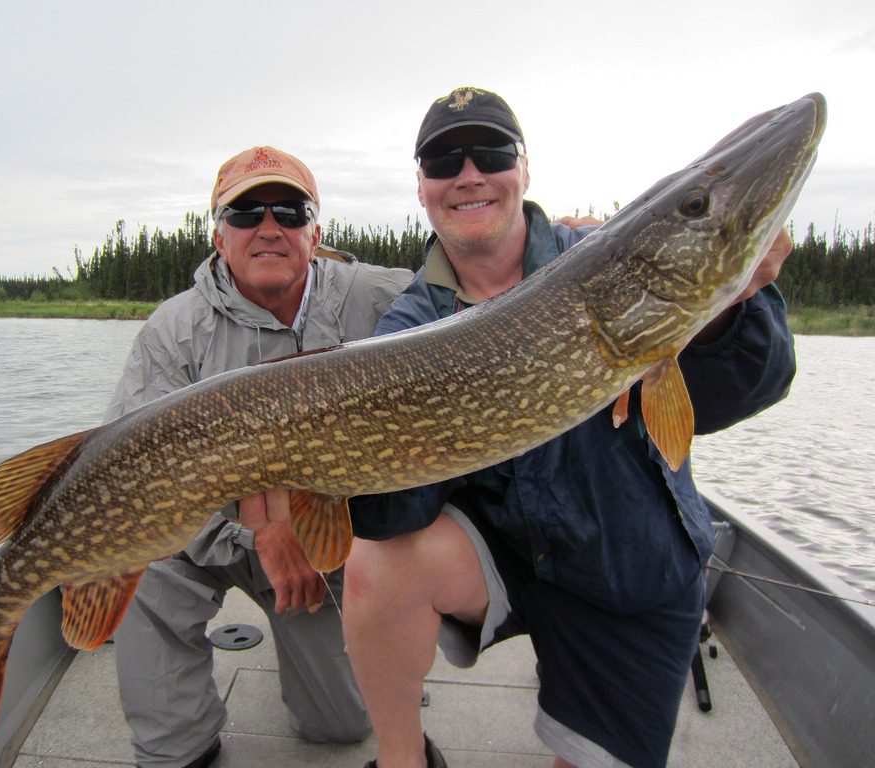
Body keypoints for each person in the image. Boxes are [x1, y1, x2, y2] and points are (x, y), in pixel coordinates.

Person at [342, 87, 797, 768]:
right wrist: (326, 480)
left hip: (629, 571)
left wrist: (732, 306)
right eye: (443, 161)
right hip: (503, 558)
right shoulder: (410, 325)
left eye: (489, 152)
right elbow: (397, 511)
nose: (468, 174)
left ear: (523, 170)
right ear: (423, 189)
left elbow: (747, 387)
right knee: (376, 564)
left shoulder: (609, 262)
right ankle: (403, 759)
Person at [106, 145, 413, 768]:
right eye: (245, 212)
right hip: (202, 535)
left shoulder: (380, 297)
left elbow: (477, 295)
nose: (269, 227)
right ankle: (178, 746)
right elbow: (129, 480)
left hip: (324, 547)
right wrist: (255, 534)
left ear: (316, 233)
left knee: (341, 726)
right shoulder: (174, 330)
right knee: (140, 565)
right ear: (219, 235)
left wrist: (562, 241)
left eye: (290, 211)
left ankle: (324, 678)